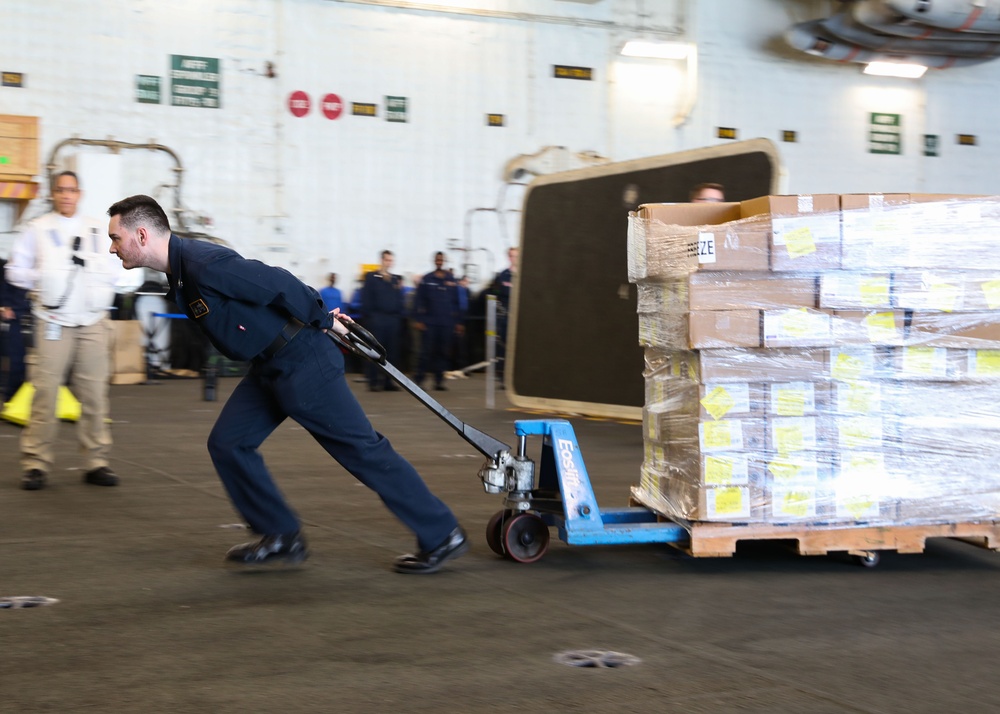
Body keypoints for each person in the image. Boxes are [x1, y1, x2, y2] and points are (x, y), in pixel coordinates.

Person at [106, 195, 469, 573]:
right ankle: (280, 535)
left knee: (363, 451)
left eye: (116, 238)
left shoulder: (203, 264)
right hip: (269, 365)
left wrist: (323, 319)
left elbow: (276, 281)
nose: (112, 247)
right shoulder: (179, 271)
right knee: (229, 443)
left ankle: (442, 533)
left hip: (303, 361)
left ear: (142, 235)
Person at [5, 171, 131, 491]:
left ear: (80, 193)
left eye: (71, 190)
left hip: (92, 321)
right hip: (53, 321)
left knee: (94, 395)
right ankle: (36, 463)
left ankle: (96, 461)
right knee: (45, 393)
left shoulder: (96, 229)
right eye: (60, 190)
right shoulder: (37, 229)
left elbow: (118, 267)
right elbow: (14, 271)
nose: (66, 195)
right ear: (53, 194)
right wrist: (45, 276)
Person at [413, 252, 463, 391]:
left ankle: (439, 381)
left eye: (442, 259)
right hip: (429, 323)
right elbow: (419, 300)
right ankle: (419, 379)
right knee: (426, 352)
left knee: (443, 353)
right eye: (437, 259)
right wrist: (418, 319)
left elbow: (456, 302)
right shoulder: (427, 278)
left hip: (446, 323)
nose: (440, 261)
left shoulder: (451, 279)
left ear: (444, 261)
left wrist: (458, 322)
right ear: (434, 261)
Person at [360, 251, 404, 391]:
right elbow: (366, 299)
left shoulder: (395, 280)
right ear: (382, 260)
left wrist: (398, 316)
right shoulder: (372, 277)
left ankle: (388, 382)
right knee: (375, 351)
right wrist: (370, 318)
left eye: (391, 260)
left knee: (391, 352)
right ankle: (373, 381)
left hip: (392, 320)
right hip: (377, 319)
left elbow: (399, 299)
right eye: (387, 260)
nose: (389, 262)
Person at [1, 257, 30, 402]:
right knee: (17, 360)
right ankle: (12, 397)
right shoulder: (13, 267)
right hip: (17, 316)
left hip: (41, 316)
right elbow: (5, 288)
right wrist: (4, 307)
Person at [488, 246, 518, 386]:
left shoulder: (524, 275)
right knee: (504, 348)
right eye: (512, 256)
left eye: (516, 256)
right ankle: (503, 378)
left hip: (519, 318)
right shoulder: (502, 276)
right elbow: (493, 294)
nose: (514, 258)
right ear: (509, 257)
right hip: (505, 318)